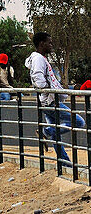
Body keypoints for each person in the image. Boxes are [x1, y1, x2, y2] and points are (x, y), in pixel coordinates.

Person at [26, 31, 86, 169]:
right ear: (42, 44)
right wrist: (49, 89)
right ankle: (47, 131)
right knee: (78, 121)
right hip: (49, 101)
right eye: (49, 42)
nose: (51, 45)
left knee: (55, 136)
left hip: (47, 100)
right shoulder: (38, 59)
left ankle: (65, 164)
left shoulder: (40, 58)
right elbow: (38, 79)